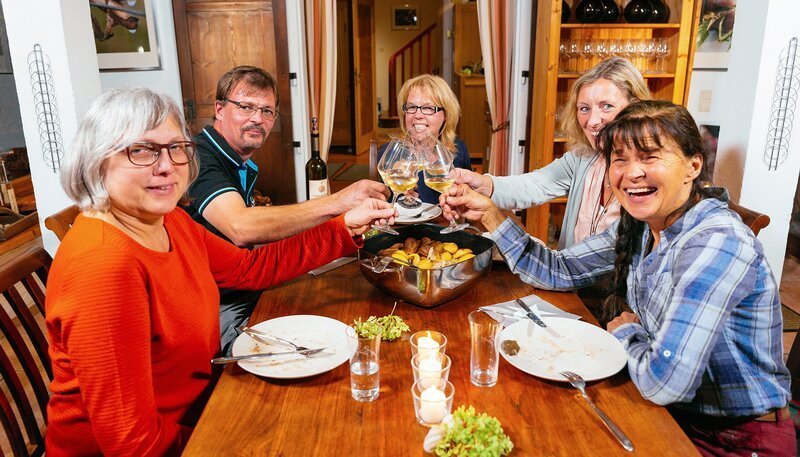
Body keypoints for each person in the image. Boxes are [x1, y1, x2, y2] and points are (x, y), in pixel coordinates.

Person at [46, 88, 395, 455]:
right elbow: (132, 443)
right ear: (98, 161)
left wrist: (343, 227)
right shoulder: (103, 266)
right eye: (142, 150)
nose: (166, 166)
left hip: (202, 409)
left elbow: (250, 269)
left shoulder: (170, 221)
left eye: (175, 148)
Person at [443, 100, 794, 456]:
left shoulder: (715, 242)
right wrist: (490, 216)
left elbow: (665, 381)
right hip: (670, 415)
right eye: (620, 159)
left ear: (693, 166)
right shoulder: (642, 224)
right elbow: (559, 270)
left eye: (650, 157)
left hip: (737, 438)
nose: (632, 173)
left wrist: (625, 329)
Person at [181, 66, 389, 353]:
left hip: (246, 288)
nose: (258, 118)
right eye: (246, 107)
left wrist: (343, 225)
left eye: (267, 111)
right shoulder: (199, 156)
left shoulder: (236, 159)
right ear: (219, 109)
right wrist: (337, 202)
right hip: (217, 308)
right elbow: (242, 226)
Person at [452, 57, 651, 249]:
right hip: (572, 277)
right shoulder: (583, 157)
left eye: (606, 106)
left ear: (635, 107)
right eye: (584, 109)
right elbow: (536, 184)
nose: (592, 121)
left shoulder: (647, 177)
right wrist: (483, 184)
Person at [378, 74, 471, 205]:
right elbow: (383, 206)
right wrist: (400, 197)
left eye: (428, 108)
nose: (417, 115)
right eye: (411, 107)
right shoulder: (390, 154)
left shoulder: (459, 151)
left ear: (446, 115)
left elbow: (468, 201)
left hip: (445, 224)